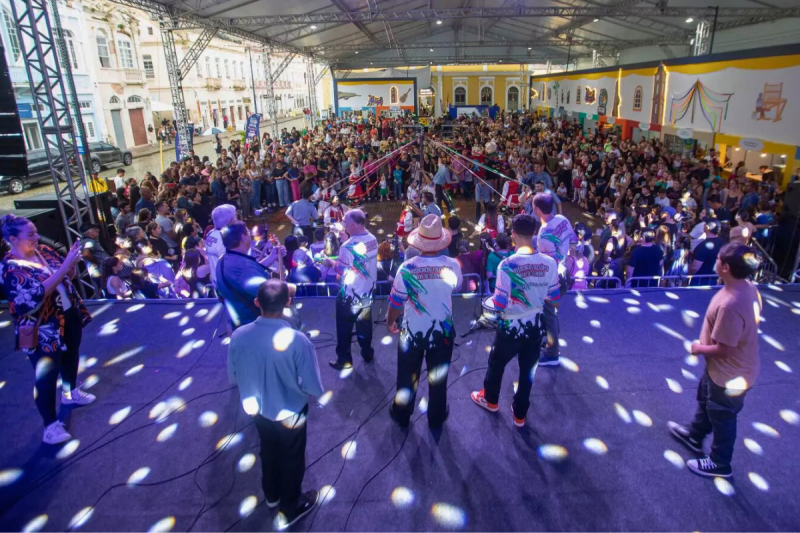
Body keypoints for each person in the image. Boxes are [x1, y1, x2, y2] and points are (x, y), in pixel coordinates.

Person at [227, 280, 323, 526]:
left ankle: (271, 495)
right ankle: (290, 507)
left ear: (257, 303)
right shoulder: (298, 340)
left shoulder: (238, 335)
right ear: (288, 303)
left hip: (256, 409)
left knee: (268, 448)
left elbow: (233, 374)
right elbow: (313, 386)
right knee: (292, 457)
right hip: (290, 411)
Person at [668, 243, 761, 478]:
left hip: (730, 376)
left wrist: (699, 348)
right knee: (707, 402)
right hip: (720, 371)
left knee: (722, 417)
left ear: (726, 267)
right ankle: (694, 435)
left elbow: (725, 349)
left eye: (718, 259)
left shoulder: (732, 304)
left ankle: (720, 462)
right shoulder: (747, 287)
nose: (715, 261)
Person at [0, 214, 94, 444]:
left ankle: (70, 394)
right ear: (12, 239)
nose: (37, 237)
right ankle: (50, 425)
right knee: (46, 375)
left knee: (71, 357)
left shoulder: (44, 250)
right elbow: (34, 298)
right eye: (30, 234)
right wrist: (64, 268)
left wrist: (70, 267)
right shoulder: (9, 268)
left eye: (36, 231)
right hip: (43, 329)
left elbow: (67, 278)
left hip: (67, 314)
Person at [470, 214, 559, 428]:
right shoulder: (549, 263)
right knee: (528, 370)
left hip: (511, 326)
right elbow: (554, 298)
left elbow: (499, 303)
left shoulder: (507, 265)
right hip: (536, 324)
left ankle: (490, 400)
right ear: (534, 233)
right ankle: (520, 414)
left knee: (497, 363)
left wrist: (492, 302)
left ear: (513, 235)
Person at [386, 215, 462, 428]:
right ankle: (436, 416)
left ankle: (402, 413)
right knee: (438, 377)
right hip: (443, 331)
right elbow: (456, 287)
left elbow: (396, 302)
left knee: (407, 376)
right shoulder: (453, 265)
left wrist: (390, 322)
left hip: (411, 332)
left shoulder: (407, 268)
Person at [329, 209, 378, 370]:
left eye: (345, 222)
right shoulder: (372, 239)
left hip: (350, 296)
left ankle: (344, 359)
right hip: (367, 292)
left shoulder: (347, 247)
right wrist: (348, 238)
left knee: (344, 327)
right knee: (365, 324)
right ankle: (367, 352)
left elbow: (342, 270)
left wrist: (331, 263)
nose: (344, 225)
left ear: (351, 224)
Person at [533, 192, 576, 366]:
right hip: (565, 272)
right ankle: (552, 338)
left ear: (536, 209)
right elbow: (572, 241)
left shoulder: (544, 234)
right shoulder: (562, 219)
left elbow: (548, 263)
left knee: (549, 313)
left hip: (553, 278)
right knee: (552, 311)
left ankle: (552, 353)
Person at [216, 220, 283, 331]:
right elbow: (268, 295)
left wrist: (272, 257)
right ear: (243, 237)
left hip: (238, 323)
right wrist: (288, 288)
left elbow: (248, 274)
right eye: (248, 233)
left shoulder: (224, 259)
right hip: (254, 327)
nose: (251, 236)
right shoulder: (242, 266)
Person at [205, 205, 237, 289]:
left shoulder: (210, 233)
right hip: (228, 286)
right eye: (235, 216)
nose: (236, 219)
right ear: (230, 220)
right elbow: (231, 267)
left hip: (217, 282)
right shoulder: (226, 239)